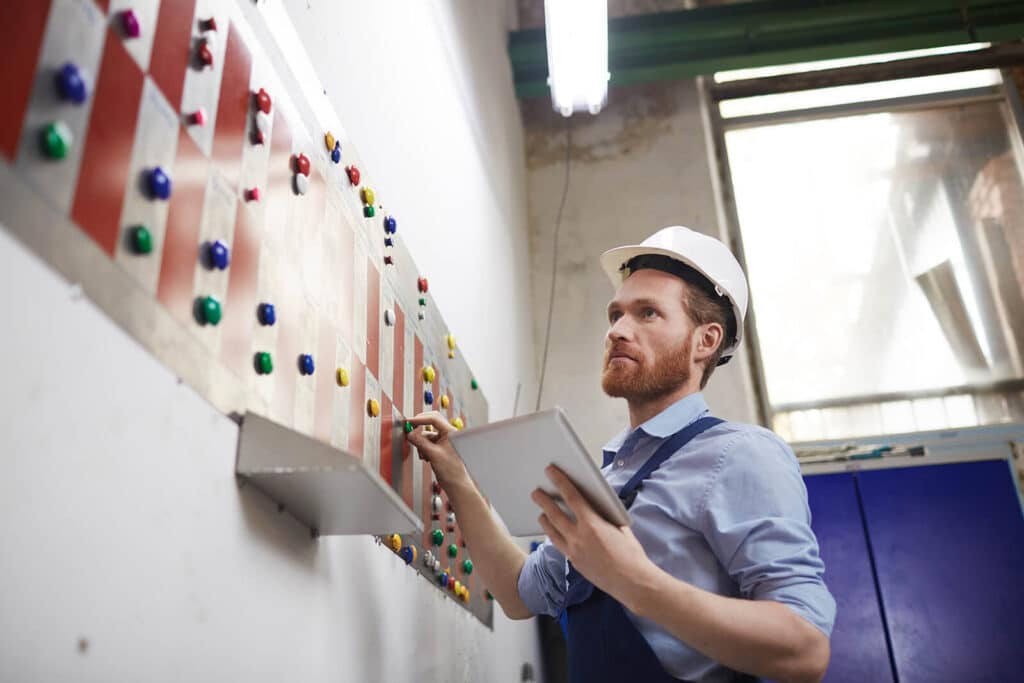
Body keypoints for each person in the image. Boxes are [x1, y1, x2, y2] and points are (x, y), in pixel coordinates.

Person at [407, 226, 835, 683]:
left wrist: (633, 580)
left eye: (647, 313)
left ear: (705, 341)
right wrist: (457, 477)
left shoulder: (743, 454)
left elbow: (804, 649)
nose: (617, 331)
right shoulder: (610, 475)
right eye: (615, 314)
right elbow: (517, 593)